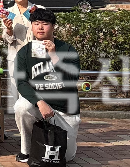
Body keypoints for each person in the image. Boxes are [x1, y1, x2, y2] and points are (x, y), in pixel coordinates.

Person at [14, 8, 81, 164]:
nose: (40, 27)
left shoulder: (67, 49)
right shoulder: (24, 52)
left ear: (53, 26)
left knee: (65, 157)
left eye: (45, 24)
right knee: (21, 107)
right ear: (32, 26)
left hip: (63, 109)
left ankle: (62, 142)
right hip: (39, 106)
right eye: (36, 23)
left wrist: (54, 56)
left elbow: (72, 79)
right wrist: (39, 101)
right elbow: (21, 82)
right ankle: (27, 150)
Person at [1, 0, 37, 112]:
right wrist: (9, 29)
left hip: (36, 57)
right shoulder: (8, 13)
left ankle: (37, 121)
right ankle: (21, 122)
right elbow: (7, 39)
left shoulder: (38, 10)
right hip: (16, 57)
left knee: (35, 91)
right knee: (17, 92)